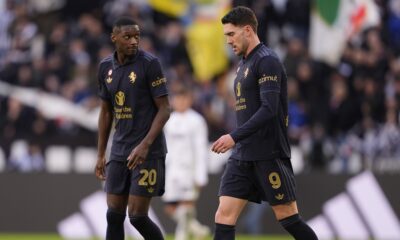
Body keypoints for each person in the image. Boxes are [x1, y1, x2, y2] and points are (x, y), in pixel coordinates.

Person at [211, 6, 318, 240]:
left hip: (268, 152)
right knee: (223, 215)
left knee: (288, 218)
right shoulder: (243, 64)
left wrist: (233, 136)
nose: (228, 41)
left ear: (247, 30)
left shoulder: (267, 61)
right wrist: (237, 141)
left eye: (231, 34)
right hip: (242, 155)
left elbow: (269, 109)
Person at [95, 16, 170, 240]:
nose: (134, 41)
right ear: (114, 38)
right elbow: (106, 112)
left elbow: (165, 109)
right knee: (114, 214)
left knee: (137, 216)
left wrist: (145, 145)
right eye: (127, 37)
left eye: (137, 36)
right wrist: (100, 154)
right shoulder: (105, 67)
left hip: (148, 150)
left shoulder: (149, 64)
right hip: (119, 150)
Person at [162, 86, 210, 240]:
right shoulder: (168, 120)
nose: (180, 102)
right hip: (171, 170)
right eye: (177, 99)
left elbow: (201, 148)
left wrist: (200, 175)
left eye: (184, 98)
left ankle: (181, 237)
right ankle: (198, 231)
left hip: (189, 170)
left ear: (189, 100)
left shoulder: (197, 120)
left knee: (187, 206)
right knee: (170, 208)